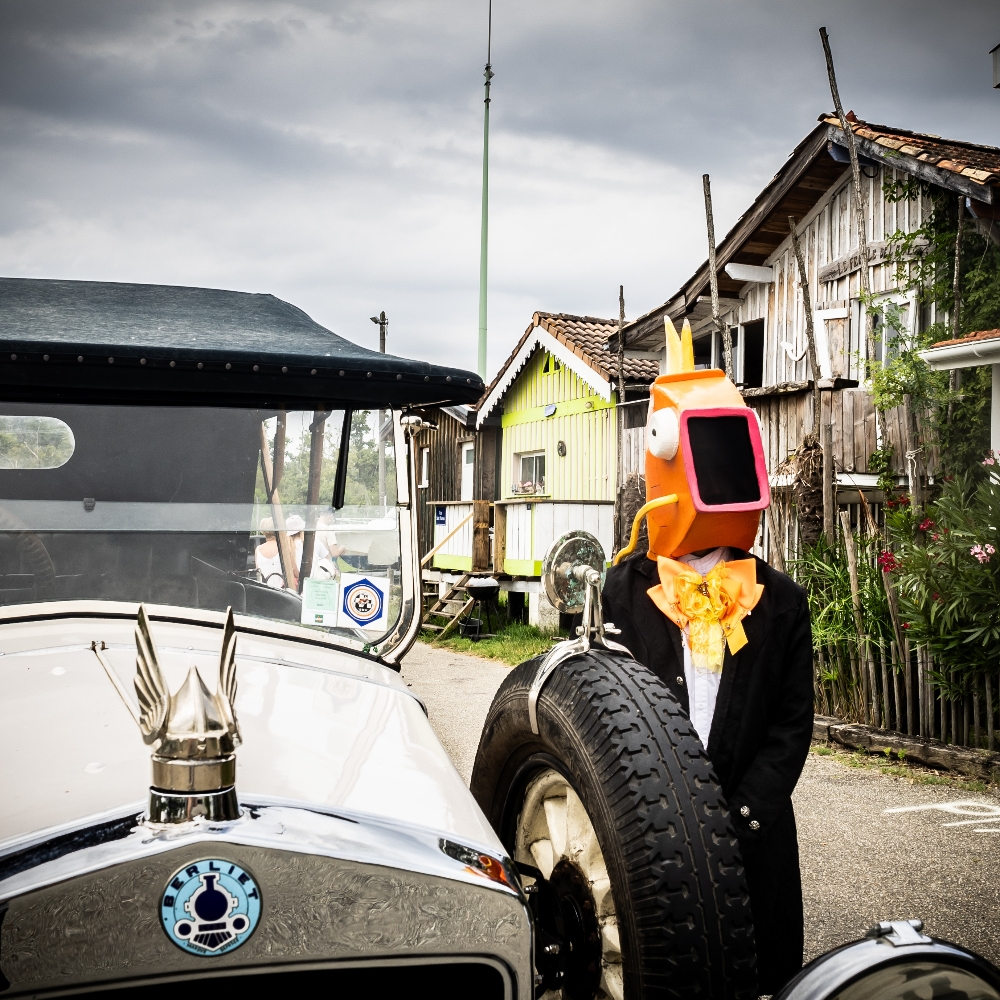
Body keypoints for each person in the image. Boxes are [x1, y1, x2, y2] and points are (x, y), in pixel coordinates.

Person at [601, 318, 814, 996]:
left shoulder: (781, 601)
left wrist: (744, 811)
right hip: (648, 835)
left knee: (754, 975)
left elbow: (791, 724)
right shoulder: (621, 588)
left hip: (755, 838)